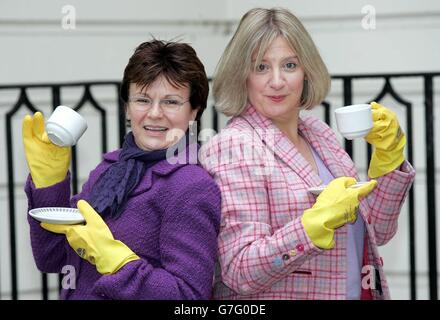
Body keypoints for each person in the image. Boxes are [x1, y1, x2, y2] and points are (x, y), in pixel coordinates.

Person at [199, 7, 415, 300]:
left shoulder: (319, 133)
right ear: (242, 75)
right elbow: (240, 271)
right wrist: (311, 227)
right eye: (261, 67)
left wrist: (388, 163)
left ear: (306, 72)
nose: (277, 81)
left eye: (289, 65)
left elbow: (377, 233)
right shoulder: (234, 146)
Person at [23, 39, 221, 299]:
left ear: (194, 111)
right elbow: (53, 258)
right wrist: (49, 183)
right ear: (127, 106)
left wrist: (118, 262)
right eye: (143, 99)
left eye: (171, 102)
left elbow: (188, 298)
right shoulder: (110, 169)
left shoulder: (191, 187)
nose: (154, 113)